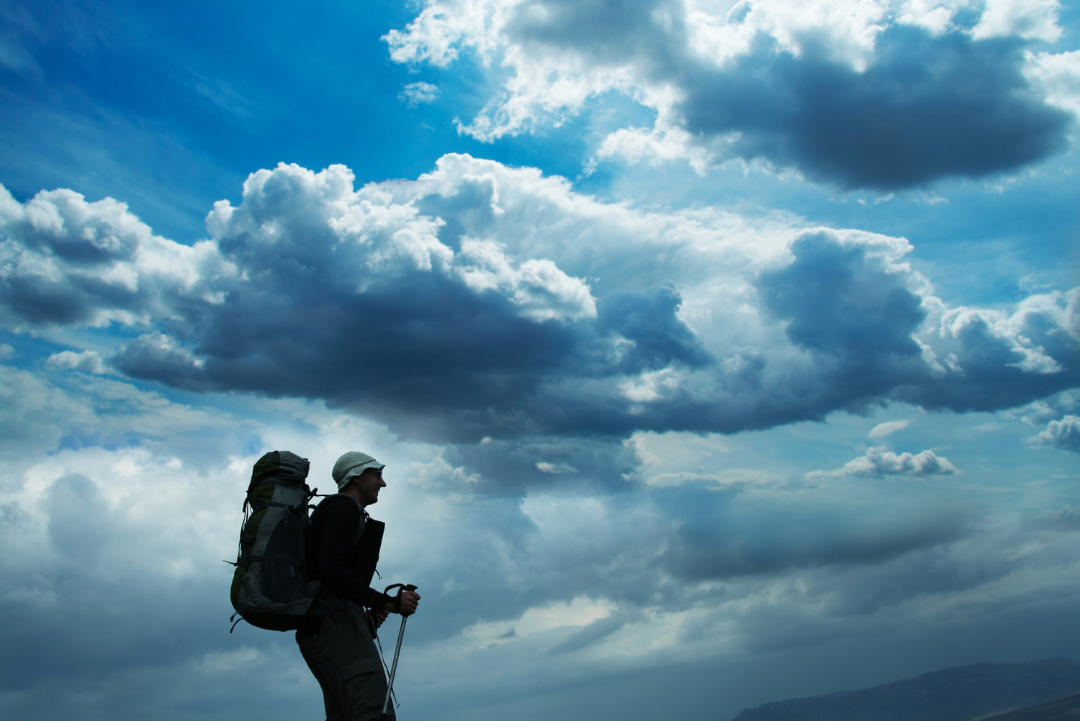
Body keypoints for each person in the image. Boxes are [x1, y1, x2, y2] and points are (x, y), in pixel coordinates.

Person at [296, 451, 421, 721]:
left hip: (326, 626)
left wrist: (363, 617)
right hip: (334, 627)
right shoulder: (344, 508)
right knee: (372, 713)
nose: (382, 483)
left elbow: (327, 575)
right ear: (356, 477)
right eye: (377, 476)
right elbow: (333, 573)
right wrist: (390, 603)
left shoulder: (335, 511)